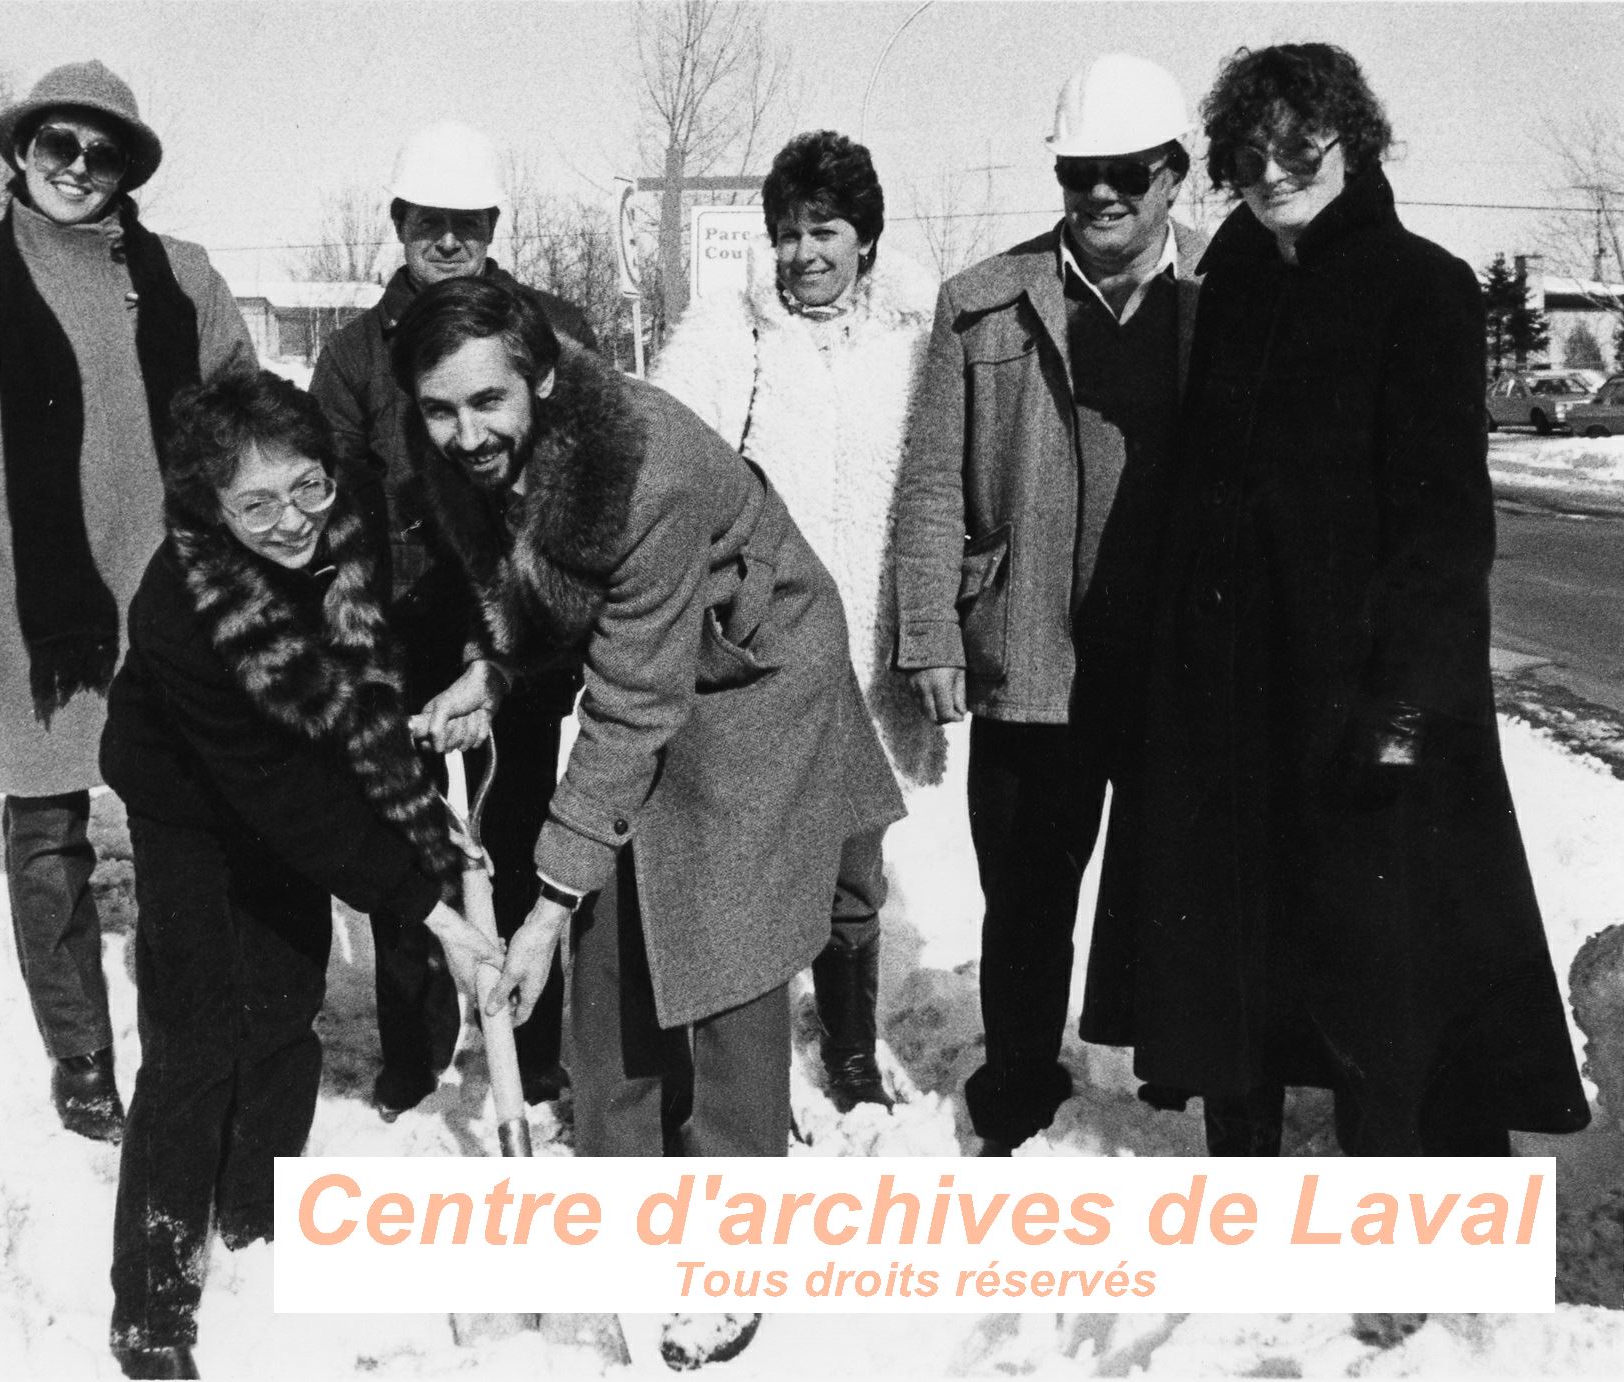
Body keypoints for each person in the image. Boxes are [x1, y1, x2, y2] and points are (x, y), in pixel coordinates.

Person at [1080, 43, 1591, 1156]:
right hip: (1230, 702)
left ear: (1349, 142)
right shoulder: (1235, 283)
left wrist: (1403, 706)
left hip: (1360, 697)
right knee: (1236, 971)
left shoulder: (1422, 286)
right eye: (1246, 153)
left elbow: (1445, 529)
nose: (1270, 172)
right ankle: (1249, 1197)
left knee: (1387, 980)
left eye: (1295, 146)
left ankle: (1405, 1221)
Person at [389, 275, 904, 1157]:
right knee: (613, 916)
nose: (465, 435)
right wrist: (496, 675)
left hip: (756, 672)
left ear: (542, 380)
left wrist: (542, 911)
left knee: (723, 931)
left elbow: (631, 708)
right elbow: (550, 593)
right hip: (657, 653)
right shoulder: (456, 446)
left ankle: (731, 1197)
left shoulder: (642, 470)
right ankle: (620, 1160)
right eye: (441, 410)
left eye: (486, 401)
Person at [98, 369, 500, 1379]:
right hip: (190, 795)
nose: (292, 521)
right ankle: (151, 1296)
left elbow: (385, 644)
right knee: (195, 1030)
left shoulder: (344, 516)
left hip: (293, 765)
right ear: (210, 505)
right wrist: (426, 905)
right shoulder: (180, 609)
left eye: (307, 487)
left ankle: (254, 1203)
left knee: (283, 993)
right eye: (257, 504)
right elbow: (278, 793)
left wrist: (444, 692)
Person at [0, 61, 255, 1142]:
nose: (78, 169)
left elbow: (246, 429)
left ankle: (182, 1035)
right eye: (59, 146)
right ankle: (81, 1053)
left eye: (101, 152)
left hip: (176, 606)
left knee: (182, 822)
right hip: (35, 620)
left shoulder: (185, 278)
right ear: (20, 153)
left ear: (127, 166)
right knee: (48, 835)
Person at [891, 55, 1205, 1153]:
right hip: (1030, 651)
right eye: (1079, 172)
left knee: (1175, 883)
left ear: (1173, 173)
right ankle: (1017, 1080)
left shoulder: (1227, 300)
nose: (1101, 194)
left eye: (1126, 171)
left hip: (1175, 661)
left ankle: (1173, 1078)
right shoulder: (983, 301)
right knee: (1024, 891)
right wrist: (928, 627)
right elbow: (931, 478)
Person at [310, 123, 598, 1116]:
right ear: (398, 224)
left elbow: (573, 486)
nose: (448, 240)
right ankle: (414, 1052)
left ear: (489, 226)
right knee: (412, 843)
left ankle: (532, 1045)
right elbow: (335, 518)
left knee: (517, 824)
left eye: (467, 223)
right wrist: (366, 662)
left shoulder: (545, 328)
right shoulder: (353, 359)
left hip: (516, 627)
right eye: (430, 222)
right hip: (403, 632)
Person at [649, 130, 939, 1112]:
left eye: (825, 230)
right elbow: (675, 468)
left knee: (854, 863)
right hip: (763, 648)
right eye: (786, 233)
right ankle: (748, 1054)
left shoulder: (914, 338)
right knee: (755, 858)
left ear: (865, 237)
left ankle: (850, 1041)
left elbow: (938, 485)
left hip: (866, 648)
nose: (804, 252)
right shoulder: (732, 334)